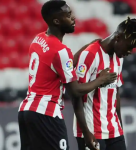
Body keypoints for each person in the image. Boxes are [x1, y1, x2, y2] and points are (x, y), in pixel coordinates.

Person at [18, 1, 117, 150]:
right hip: (47, 113)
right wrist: (101, 80)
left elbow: (62, 65)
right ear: (56, 21)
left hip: (26, 111)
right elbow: (75, 90)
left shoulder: (38, 39)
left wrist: (86, 48)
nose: (73, 18)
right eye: (68, 15)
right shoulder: (60, 50)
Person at [73, 17, 136, 150]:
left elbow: (115, 93)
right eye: (129, 47)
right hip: (91, 129)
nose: (130, 52)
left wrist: (120, 127)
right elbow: (75, 93)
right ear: (118, 38)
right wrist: (85, 132)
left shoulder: (119, 57)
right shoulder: (90, 54)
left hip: (114, 130)